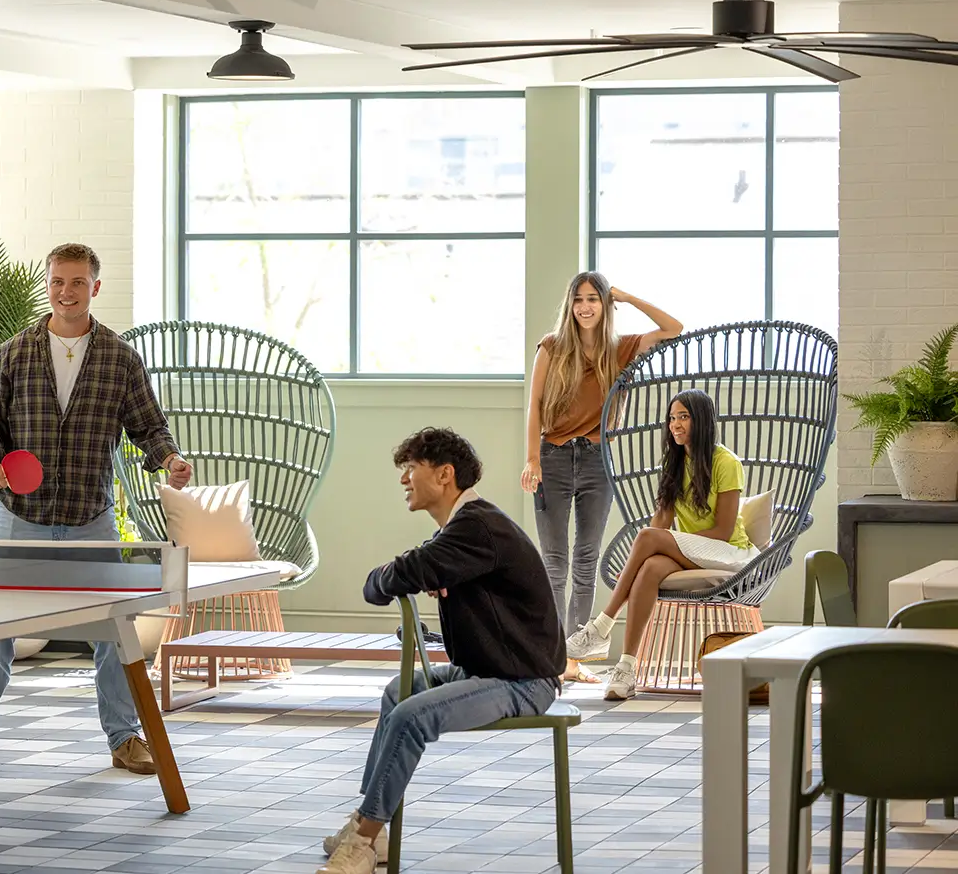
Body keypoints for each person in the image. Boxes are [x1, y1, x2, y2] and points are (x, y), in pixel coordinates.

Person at [0, 241, 193, 777]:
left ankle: (125, 738)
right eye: (58, 281)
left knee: (114, 630)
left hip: (91, 516)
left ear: (95, 288)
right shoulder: (12, 353)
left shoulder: (120, 357)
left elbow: (148, 427)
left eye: (78, 282)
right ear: (48, 284)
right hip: (20, 515)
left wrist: (170, 460)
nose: (67, 291)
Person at [317, 428, 565, 874]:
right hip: (486, 670)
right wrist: (402, 575)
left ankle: (363, 840)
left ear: (445, 474)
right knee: (399, 693)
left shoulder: (476, 527)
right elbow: (401, 576)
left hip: (522, 682)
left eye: (411, 468)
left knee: (411, 715)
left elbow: (399, 574)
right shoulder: (464, 528)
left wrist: (398, 574)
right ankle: (373, 826)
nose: (403, 479)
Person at [522, 272, 680, 685]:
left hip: (597, 460)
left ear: (604, 305)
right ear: (570, 305)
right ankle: (552, 656)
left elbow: (673, 328)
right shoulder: (551, 346)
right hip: (553, 457)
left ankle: (574, 657)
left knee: (586, 560)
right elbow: (535, 404)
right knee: (555, 562)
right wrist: (531, 460)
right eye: (579, 299)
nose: (586, 307)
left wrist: (627, 296)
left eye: (594, 299)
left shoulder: (622, 348)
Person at [563, 389, 759, 701]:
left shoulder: (726, 462)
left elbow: (722, 531)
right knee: (650, 566)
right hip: (695, 552)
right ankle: (626, 669)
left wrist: (661, 543)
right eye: (671, 418)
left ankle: (601, 626)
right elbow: (661, 526)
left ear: (703, 420)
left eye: (684, 417)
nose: (675, 424)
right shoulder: (675, 462)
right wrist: (646, 556)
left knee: (646, 538)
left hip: (729, 553)